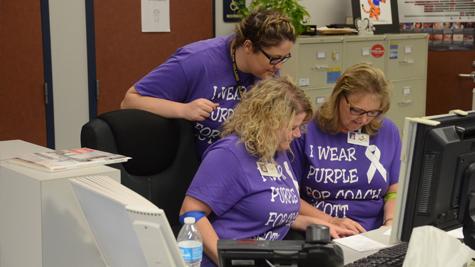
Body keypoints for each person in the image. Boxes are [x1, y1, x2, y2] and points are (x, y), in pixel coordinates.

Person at [180, 77, 354, 267]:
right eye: (293, 128)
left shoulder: (277, 151)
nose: (297, 135)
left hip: (266, 259)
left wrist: (315, 223)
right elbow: (191, 213)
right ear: (269, 123)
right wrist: (224, 261)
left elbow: (269, 210)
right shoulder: (229, 154)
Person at [120, 8, 296, 157]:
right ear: (249, 46)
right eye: (274, 59)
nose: (279, 66)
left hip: (243, 166)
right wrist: (184, 109)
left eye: (284, 58)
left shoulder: (268, 69)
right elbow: (130, 101)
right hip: (198, 169)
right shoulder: (195, 61)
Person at [290, 63, 401, 233]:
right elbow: (288, 195)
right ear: (339, 97)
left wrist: (390, 223)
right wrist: (331, 221)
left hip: (375, 231)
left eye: (373, 112)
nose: (363, 120)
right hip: (324, 229)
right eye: (356, 110)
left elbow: (394, 188)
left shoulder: (387, 131)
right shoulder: (305, 130)